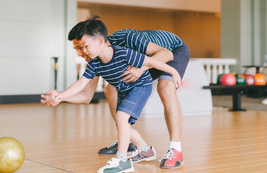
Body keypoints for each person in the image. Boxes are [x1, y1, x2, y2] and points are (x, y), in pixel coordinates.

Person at [42, 20, 190, 169]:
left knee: (165, 88)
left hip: (172, 50)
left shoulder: (125, 39)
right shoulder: (96, 58)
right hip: (143, 62)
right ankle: (127, 138)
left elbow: (166, 54)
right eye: (77, 49)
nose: (80, 53)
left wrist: (140, 69)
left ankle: (176, 149)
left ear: (97, 42)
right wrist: (60, 97)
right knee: (109, 90)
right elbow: (87, 95)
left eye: (82, 47)